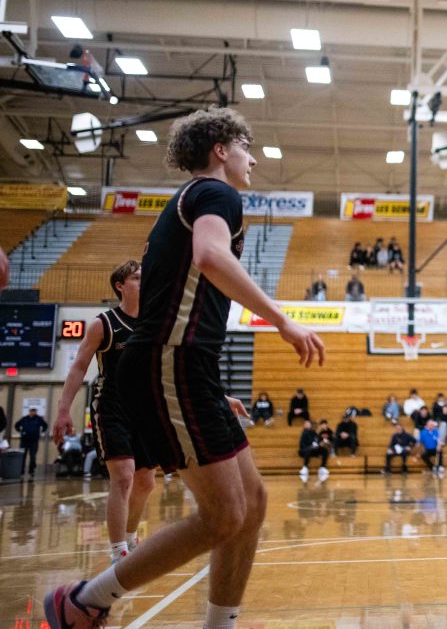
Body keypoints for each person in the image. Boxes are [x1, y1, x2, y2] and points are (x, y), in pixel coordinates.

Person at [43, 106, 326, 629]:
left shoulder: (191, 200)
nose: (254, 159)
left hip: (182, 367)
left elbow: (174, 303)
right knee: (223, 516)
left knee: (253, 503)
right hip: (170, 365)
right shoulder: (216, 193)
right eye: (246, 148)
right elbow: (211, 258)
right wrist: (284, 321)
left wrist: (211, 393)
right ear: (220, 149)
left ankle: (220, 623)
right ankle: (85, 598)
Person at [52, 260, 156, 563]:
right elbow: (78, 367)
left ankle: (129, 537)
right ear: (120, 285)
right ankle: (118, 553)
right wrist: (63, 411)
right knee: (123, 477)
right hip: (111, 405)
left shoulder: (153, 322)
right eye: (136, 277)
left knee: (146, 482)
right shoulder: (104, 323)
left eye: (143, 277)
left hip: (145, 407)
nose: (142, 281)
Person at [16, 407, 48, 476]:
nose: (33, 412)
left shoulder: (39, 419)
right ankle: (21, 470)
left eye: (34, 411)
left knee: (33, 455)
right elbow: (16, 425)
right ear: (29, 411)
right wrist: (20, 431)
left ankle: (31, 470)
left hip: (34, 440)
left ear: (36, 411)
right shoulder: (25, 418)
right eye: (31, 410)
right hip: (24, 440)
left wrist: (41, 432)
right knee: (23, 455)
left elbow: (45, 426)